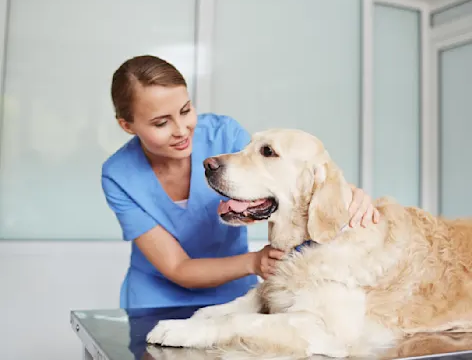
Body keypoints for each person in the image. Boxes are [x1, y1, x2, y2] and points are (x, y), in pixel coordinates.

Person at [101, 55, 380, 309]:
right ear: (127, 125)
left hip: (234, 299)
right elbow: (177, 267)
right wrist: (254, 262)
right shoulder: (119, 175)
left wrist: (347, 194)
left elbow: (283, 178)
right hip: (154, 303)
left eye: (185, 110)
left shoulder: (222, 133)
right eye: (161, 123)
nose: (182, 130)